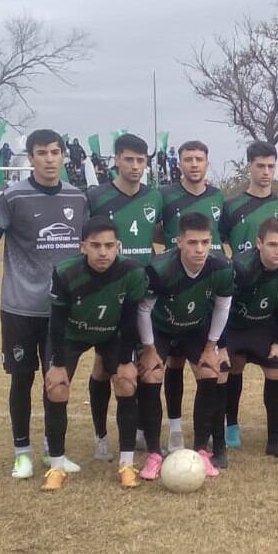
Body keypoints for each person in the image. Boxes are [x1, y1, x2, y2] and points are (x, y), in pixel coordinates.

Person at [0, 129, 88, 481]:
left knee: (56, 381)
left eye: (55, 152)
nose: (49, 158)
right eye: (41, 153)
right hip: (19, 307)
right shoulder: (13, 197)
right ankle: (22, 453)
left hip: (60, 310)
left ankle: (54, 453)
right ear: (30, 158)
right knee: (22, 379)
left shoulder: (78, 197)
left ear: (63, 156)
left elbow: (90, 250)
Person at [43, 217, 147, 490]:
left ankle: (126, 464)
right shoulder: (65, 272)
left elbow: (129, 320)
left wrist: (126, 361)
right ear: (82, 247)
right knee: (56, 388)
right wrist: (56, 364)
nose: (103, 252)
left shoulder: (133, 272)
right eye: (96, 245)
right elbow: (56, 320)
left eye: (109, 245)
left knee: (126, 383)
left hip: (112, 333)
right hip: (71, 335)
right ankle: (56, 466)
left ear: (118, 246)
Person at [137, 213, 234, 478]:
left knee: (210, 372)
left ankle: (202, 450)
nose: (200, 249)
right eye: (192, 242)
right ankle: (154, 453)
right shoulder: (159, 269)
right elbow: (143, 310)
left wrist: (211, 346)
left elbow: (223, 306)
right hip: (161, 328)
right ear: (179, 241)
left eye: (205, 242)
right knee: (151, 374)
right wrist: (149, 350)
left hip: (195, 328)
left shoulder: (222, 267)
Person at [86, 134, 163, 455]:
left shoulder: (156, 198)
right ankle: (101, 435)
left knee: (146, 364)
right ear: (116, 160)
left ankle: (143, 430)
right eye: (128, 159)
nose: (135, 166)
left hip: (145, 295)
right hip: (110, 294)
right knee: (104, 366)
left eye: (141, 160)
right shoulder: (96, 197)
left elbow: (166, 232)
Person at [219, 141, 278, 444]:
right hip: (240, 288)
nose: (266, 172)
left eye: (271, 166)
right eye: (260, 166)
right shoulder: (231, 206)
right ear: (249, 166)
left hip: (273, 295)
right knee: (234, 362)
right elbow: (220, 239)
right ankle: (230, 424)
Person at [158, 141, 226, 452]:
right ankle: (174, 428)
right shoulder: (166, 195)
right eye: (188, 159)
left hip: (207, 284)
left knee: (207, 365)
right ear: (180, 163)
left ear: (207, 163)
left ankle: (206, 434)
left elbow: (221, 233)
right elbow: (156, 230)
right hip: (175, 281)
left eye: (199, 159)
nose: (194, 164)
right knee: (172, 363)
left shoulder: (217, 196)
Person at [223, 218, 278, 460]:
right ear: (258, 243)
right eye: (272, 244)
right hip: (235, 326)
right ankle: (230, 425)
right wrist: (220, 345)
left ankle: (275, 439)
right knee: (230, 366)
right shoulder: (239, 267)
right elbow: (223, 308)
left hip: (265, 325)